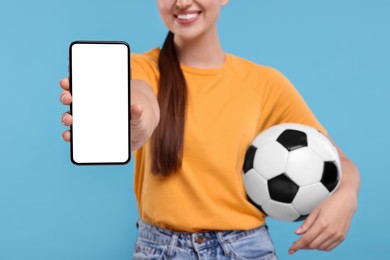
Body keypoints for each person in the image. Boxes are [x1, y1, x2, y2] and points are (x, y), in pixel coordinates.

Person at [59, 0, 360, 259]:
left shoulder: (265, 84)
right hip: (158, 249)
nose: (182, 2)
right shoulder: (141, 68)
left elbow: (339, 161)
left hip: (245, 248)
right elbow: (141, 101)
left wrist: (346, 195)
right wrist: (134, 127)